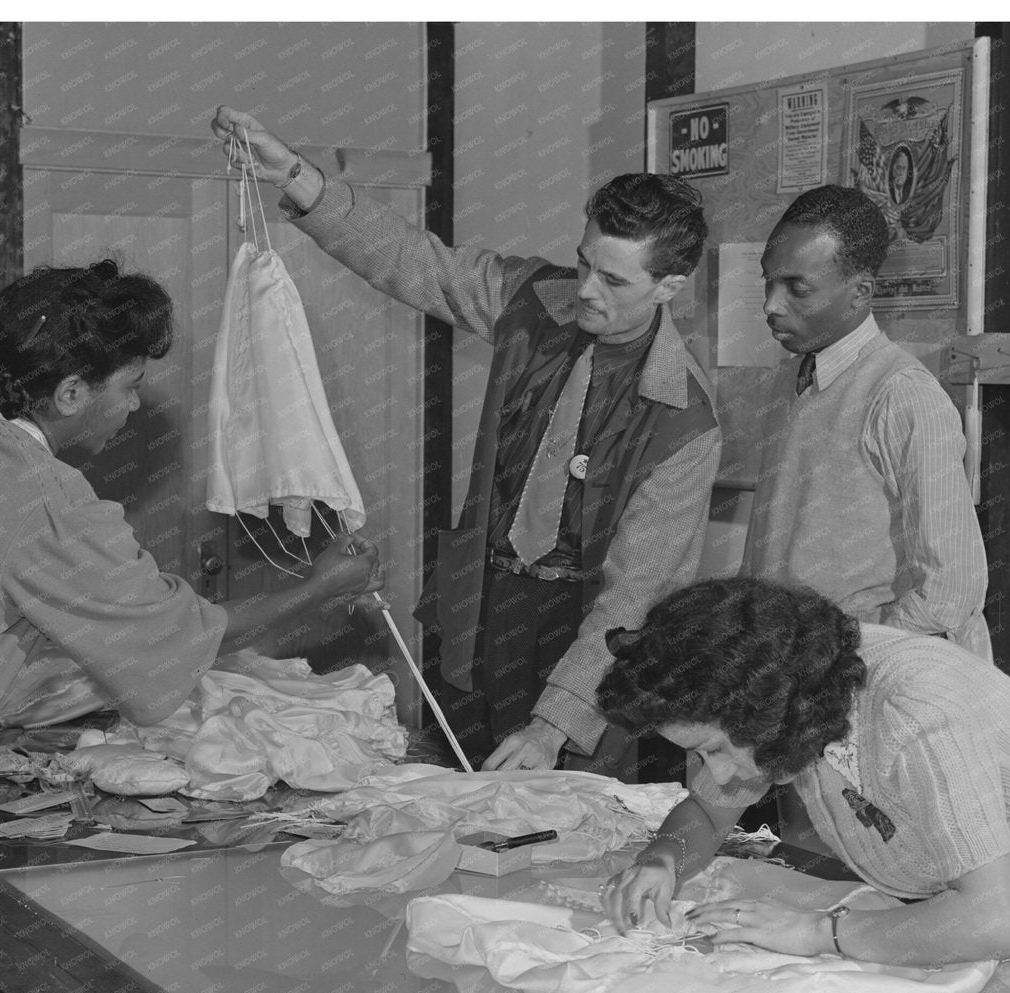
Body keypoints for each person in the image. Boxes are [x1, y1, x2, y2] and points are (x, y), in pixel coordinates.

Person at [0, 259, 384, 888]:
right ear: (70, 394)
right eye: (130, 386)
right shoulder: (44, 500)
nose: (134, 405)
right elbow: (177, 633)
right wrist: (321, 585)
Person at [211, 105, 721, 776]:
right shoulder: (533, 300)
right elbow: (412, 260)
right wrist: (296, 177)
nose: (586, 290)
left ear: (669, 287)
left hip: (590, 643)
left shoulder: (685, 421)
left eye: (614, 280)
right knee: (453, 795)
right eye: (584, 263)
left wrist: (552, 727)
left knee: (561, 817)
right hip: (484, 613)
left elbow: (635, 598)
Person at [596, 577, 1010, 964]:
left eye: (715, 750)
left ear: (766, 711)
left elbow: (988, 921)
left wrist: (815, 932)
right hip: (969, 918)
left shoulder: (917, 706)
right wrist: (664, 858)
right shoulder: (791, 694)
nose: (718, 774)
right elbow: (707, 812)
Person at [749, 185, 990, 661]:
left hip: (863, 670)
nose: (771, 305)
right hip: (791, 665)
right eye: (768, 282)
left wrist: (857, 660)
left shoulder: (902, 395)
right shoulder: (789, 378)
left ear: (860, 293)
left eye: (797, 288)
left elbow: (951, 588)